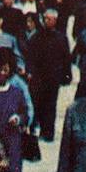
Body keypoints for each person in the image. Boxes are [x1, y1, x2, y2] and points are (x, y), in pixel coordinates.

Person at [26, 8, 71, 142]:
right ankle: (35, 128)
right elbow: (30, 57)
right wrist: (30, 72)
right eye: (44, 18)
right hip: (39, 77)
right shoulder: (36, 37)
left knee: (51, 104)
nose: (46, 21)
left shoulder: (61, 38)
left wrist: (66, 75)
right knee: (37, 103)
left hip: (54, 77)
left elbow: (66, 58)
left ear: (55, 21)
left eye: (49, 19)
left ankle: (48, 132)